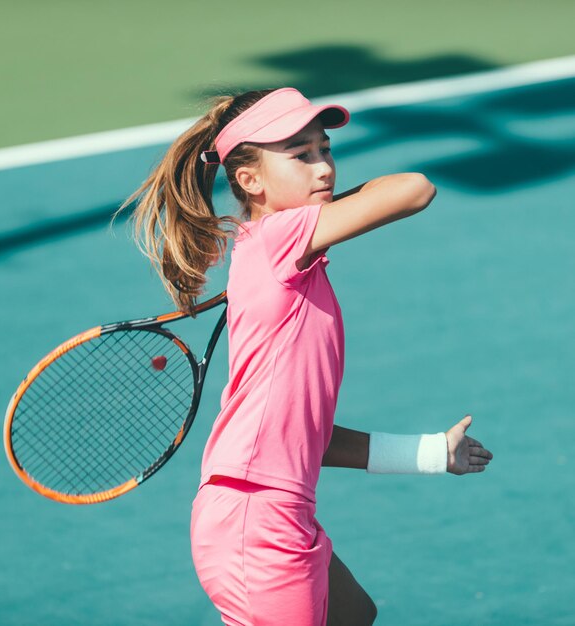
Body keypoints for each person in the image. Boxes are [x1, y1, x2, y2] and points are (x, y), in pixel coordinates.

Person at [120, 87, 494, 626]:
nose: (324, 169)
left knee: (353, 616)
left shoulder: (282, 257)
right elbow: (415, 189)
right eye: (301, 156)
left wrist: (432, 453)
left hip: (270, 509)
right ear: (249, 181)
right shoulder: (279, 237)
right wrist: (341, 206)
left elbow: (304, 438)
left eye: (326, 150)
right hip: (257, 521)